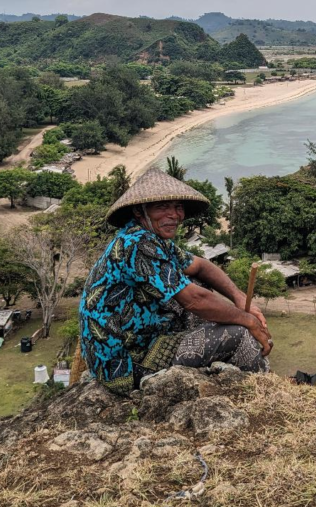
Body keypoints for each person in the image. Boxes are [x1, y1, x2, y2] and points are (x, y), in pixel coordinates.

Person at [80, 168, 272, 394]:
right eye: (162, 207)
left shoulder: (153, 239)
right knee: (238, 334)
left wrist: (238, 297)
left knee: (197, 283)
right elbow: (194, 300)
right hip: (126, 365)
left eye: (178, 206)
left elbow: (200, 266)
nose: (174, 214)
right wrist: (247, 320)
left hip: (146, 336)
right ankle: (264, 389)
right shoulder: (137, 244)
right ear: (140, 212)